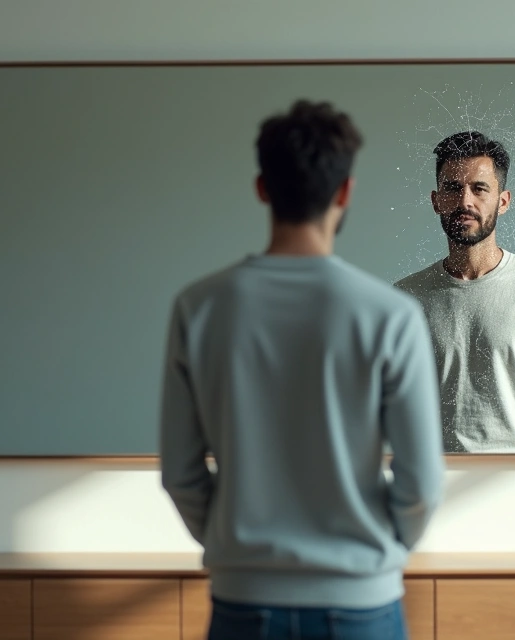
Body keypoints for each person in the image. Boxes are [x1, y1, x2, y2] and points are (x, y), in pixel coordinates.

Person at [158, 99, 445, 640]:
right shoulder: (390, 313)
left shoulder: (199, 308)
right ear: (345, 192)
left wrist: (237, 547)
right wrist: (379, 549)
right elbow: (422, 483)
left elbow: (181, 474)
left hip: (244, 601)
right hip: (363, 602)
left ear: (262, 188)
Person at [394, 131, 515, 454]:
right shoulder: (404, 300)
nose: (465, 201)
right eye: (453, 188)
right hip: (433, 488)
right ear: (436, 201)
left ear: (503, 200)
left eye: (479, 188)